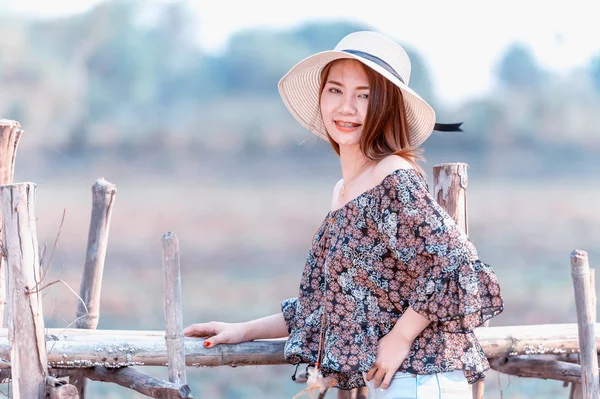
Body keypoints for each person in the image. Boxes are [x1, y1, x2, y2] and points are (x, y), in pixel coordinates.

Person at [184, 31, 504, 398]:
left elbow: (459, 266)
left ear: (386, 106)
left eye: (364, 96)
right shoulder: (344, 190)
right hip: (395, 384)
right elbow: (328, 306)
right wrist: (244, 330)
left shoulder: (392, 177)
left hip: (421, 381)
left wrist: (401, 336)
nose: (346, 107)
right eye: (335, 90)